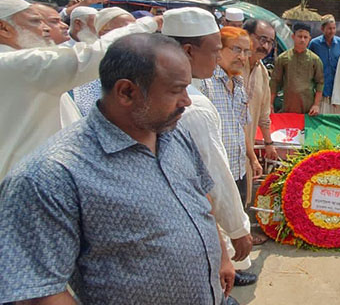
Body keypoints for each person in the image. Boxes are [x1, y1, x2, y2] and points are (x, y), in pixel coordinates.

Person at [0, 33, 235, 304]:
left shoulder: (173, 132)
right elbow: (39, 294)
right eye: (175, 90)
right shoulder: (51, 175)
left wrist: (221, 256)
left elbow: (200, 200)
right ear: (127, 92)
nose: (187, 101)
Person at [0, 0, 153, 179]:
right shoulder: (17, 65)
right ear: (3, 28)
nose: (46, 28)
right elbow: (94, 56)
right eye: (35, 21)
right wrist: (149, 24)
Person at [164, 8, 257, 288]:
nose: (219, 58)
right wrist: (238, 229)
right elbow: (213, 175)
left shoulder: (154, 87)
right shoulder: (193, 104)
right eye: (216, 50)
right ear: (189, 51)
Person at [199, 27, 262, 207]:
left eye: (246, 51)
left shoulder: (238, 85)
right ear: (219, 50)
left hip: (239, 171)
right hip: (215, 176)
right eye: (236, 50)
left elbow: (241, 126)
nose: (242, 57)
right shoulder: (206, 84)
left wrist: (253, 158)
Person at [241, 18, 279, 209]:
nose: (265, 46)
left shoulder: (263, 72)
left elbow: (264, 114)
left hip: (246, 148)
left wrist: (268, 143)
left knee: (244, 191)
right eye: (262, 39)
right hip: (226, 143)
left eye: (270, 42)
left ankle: (240, 234)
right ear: (246, 36)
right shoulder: (231, 68)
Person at [271, 22, 325, 115]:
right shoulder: (283, 58)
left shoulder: (315, 60)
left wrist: (316, 105)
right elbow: (275, 82)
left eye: (305, 37)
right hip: (287, 107)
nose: (302, 40)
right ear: (293, 37)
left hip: (308, 110)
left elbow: (320, 83)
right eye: (299, 36)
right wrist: (270, 103)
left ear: (309, 39)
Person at [308, 14, 340, 113]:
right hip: (321, 93)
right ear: (322, 28)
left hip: (337, 91)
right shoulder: (314, 44)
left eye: (334, 28)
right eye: (329, 28)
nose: (332, 31)